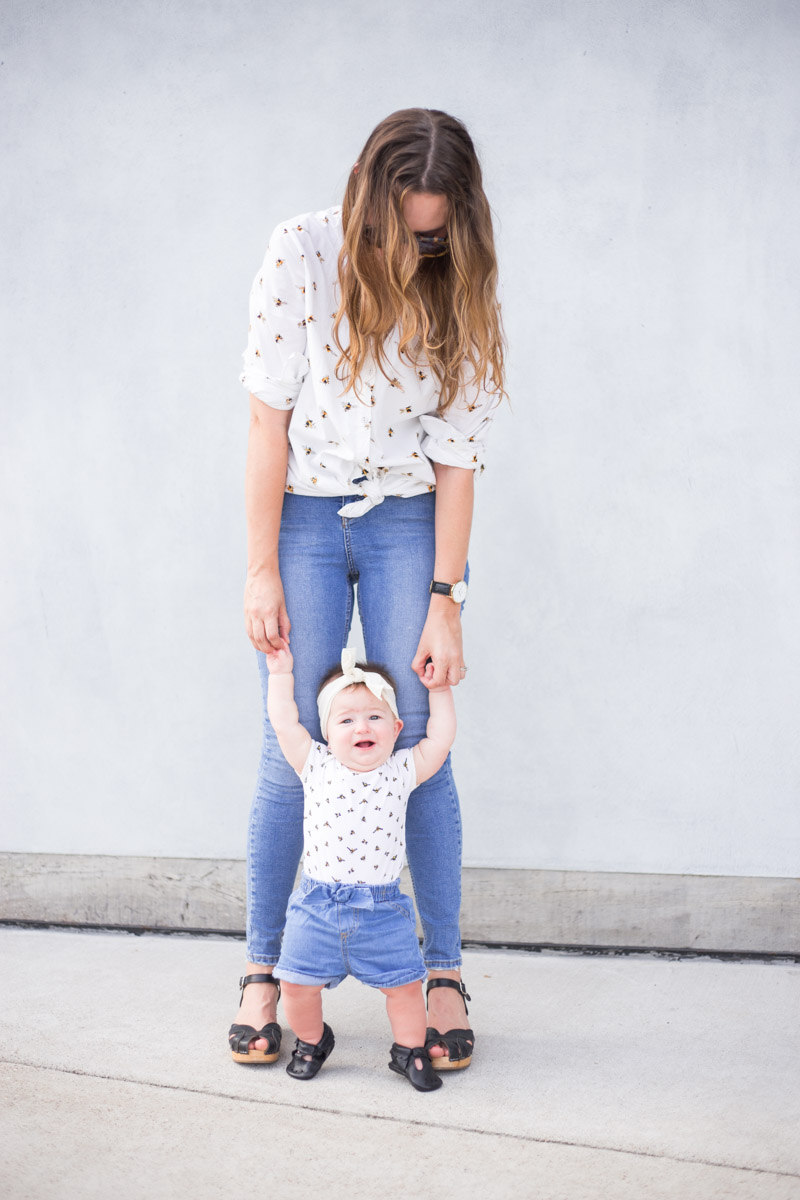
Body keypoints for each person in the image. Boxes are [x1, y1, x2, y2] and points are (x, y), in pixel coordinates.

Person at [229, 107, 505, 1075]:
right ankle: (265, 969)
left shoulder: (459, 276)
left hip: (407, 518)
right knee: (292, 742)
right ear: (364, 199)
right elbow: (266, 423)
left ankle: (440, 971)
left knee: (418, 738)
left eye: (430, 232)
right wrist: (261, 566)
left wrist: (445, 597)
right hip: (303, 513)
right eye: (396, 228)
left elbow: (459, 457)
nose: (411, 246)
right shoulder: (299, 251)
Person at [263, 646, 456, 1091]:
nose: (361, 727)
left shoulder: (402, 769)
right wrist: (281, 673)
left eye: (373, 717)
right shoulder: (315, 764)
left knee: (405, 987)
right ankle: (312, 1041)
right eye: (345, 720)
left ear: (397, 727)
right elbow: (284, 721)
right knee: (294, 985)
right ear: (327, 734)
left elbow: (442, 737)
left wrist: (440, 690)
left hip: (382, 914)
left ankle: (409, 1049)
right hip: (316, 907)